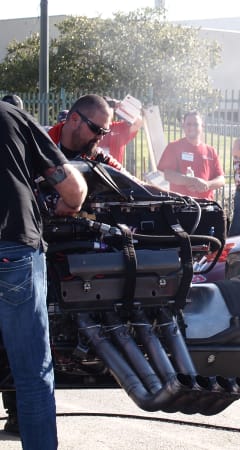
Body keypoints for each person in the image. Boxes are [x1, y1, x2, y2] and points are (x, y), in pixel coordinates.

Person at [0, 101, 87, 448]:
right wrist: (70, 205)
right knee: (32, 373)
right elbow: (73, 189)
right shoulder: (11, 116)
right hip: (12, 250)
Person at [158, 111, 225, 200]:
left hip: (205, 204)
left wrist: (207, 185)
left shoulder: (211, 151)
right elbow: (168, 175)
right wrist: (192, 181)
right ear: (183, 126)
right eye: (188, 124)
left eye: (196, 124)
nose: (192, 127)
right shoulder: (173, 147)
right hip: (180, 203)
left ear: (202, 126)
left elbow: (221, 179)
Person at [47, 94, 122, 170]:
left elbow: (124, 175)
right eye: (96, 129)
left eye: (105, 132)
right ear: (75, 119)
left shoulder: (99, 159)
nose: (100, 137)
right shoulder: (41, 145)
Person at [97, 96, 143, 165]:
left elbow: (139, 122)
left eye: (108, 108)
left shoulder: (119, 128)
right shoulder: (89, 128)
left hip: (113, 171)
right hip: (93, 170)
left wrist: (121, 106)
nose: (105, 111)